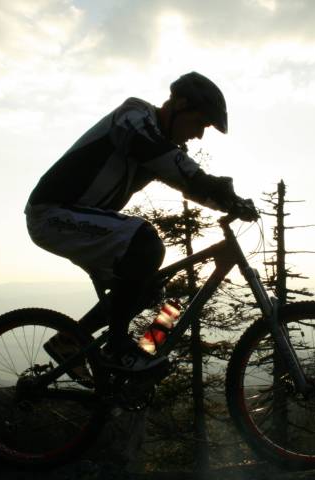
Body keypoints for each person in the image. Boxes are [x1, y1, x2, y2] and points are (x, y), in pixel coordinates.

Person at [25, 72, 257, 373]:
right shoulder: (133, 116)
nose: (199, 134)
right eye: (200, 122)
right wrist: (218, 188)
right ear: (179, 104)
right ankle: (117, 349)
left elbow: (188, 183)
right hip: (52, 213)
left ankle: (75, 341)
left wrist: (230, 202)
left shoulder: (161, 144)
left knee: (150, 289)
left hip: (80, 220)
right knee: (144, 241)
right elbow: (166, 159)